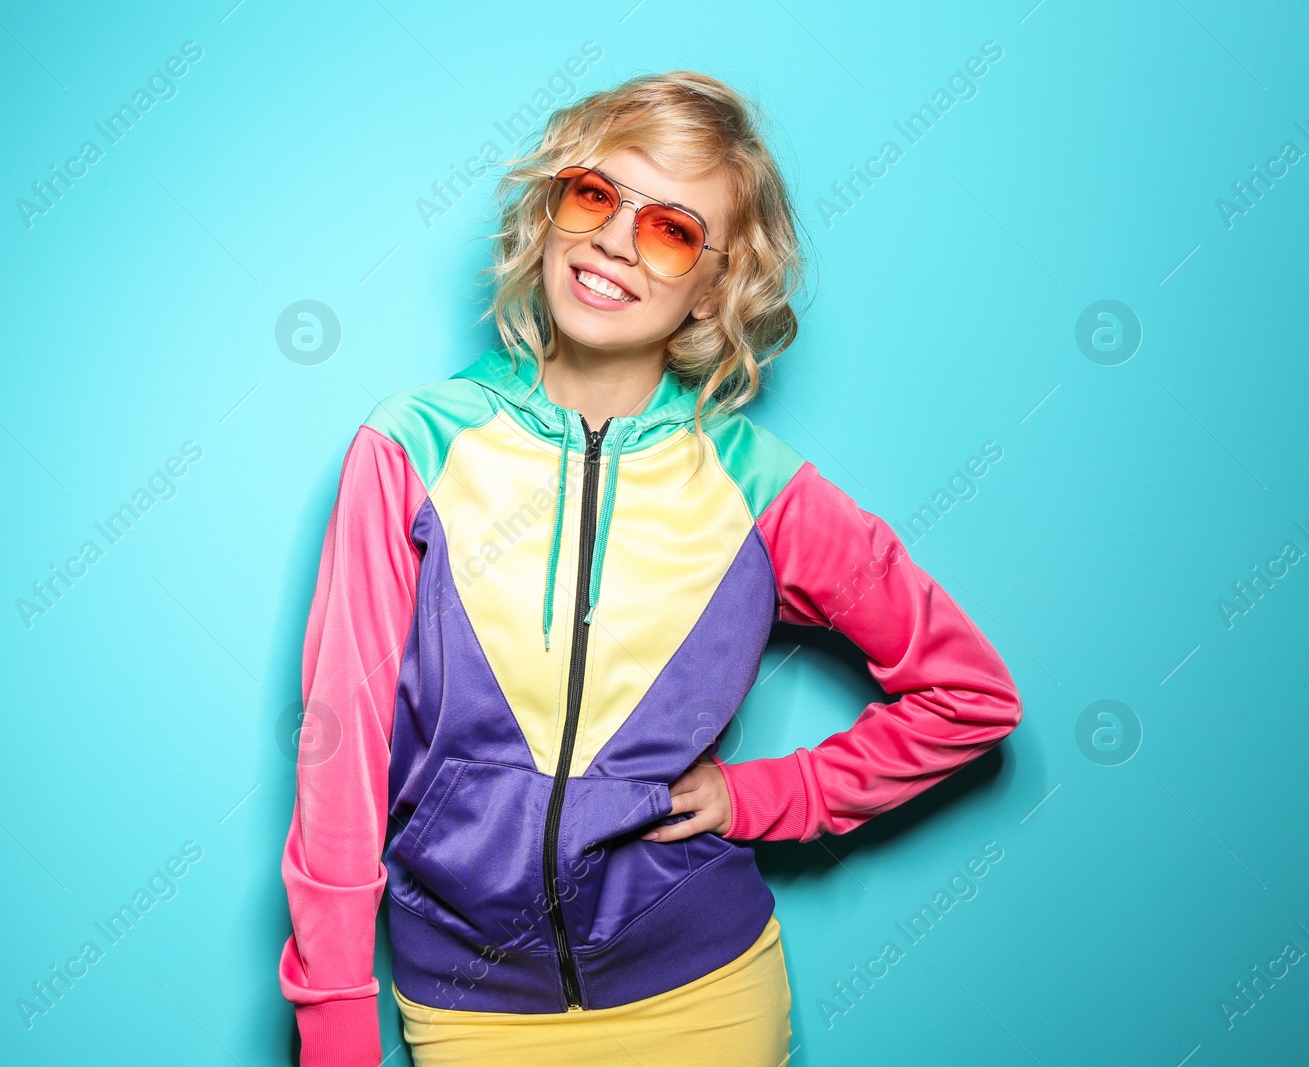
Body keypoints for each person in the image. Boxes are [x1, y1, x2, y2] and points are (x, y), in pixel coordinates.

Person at [278, 70, 1023, 1066]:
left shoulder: (753, 486)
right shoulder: (411, 447)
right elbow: (342, 746)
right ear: (550, 209)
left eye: (672, 227)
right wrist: (333, 1030)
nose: (615, 241)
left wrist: (768, 796)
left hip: (703, 991)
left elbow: (968, 695)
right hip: (470, 1001)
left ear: (714, 282)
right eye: (594, 194)